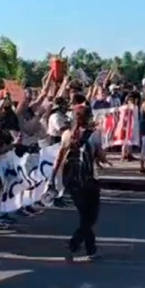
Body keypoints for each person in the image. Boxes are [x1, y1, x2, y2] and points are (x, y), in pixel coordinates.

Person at [51, 105, 107, 262]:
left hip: (72, 180)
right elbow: (101, 156)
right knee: (90, 218)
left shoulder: (67, 134)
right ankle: (74, 244)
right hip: (89, 180)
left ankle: (91, 249)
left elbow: (59, 157)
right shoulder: (94, 134)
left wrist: (52, 179)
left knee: (84, 217)